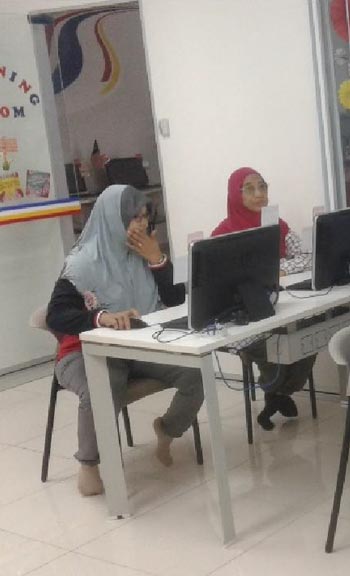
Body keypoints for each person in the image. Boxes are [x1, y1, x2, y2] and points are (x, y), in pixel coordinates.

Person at [46, 185, 205, 496]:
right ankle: (89, 464)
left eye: (145, 217)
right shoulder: (82, 262)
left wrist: (157, 259)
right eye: (133, 218)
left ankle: (167, 429)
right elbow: (56, 316)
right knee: (106, 384)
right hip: (84, 352)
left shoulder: (142, 253)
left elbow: (176, 299)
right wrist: (101, 317)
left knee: (194, 373)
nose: (141, 225)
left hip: (137, 342)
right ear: (111, 220)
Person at [212, 167, 317, 430]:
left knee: (309, 335)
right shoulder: (224, 234)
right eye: (250, 189)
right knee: (278, 349)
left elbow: (307, 257)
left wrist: (277, 270)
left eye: (262, 187)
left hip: (277, 308)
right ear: (235, 195)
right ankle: (273, 389)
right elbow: (218, 282)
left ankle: (278, 395)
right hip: (245, 320)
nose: (259, 194)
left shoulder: (276, 225)